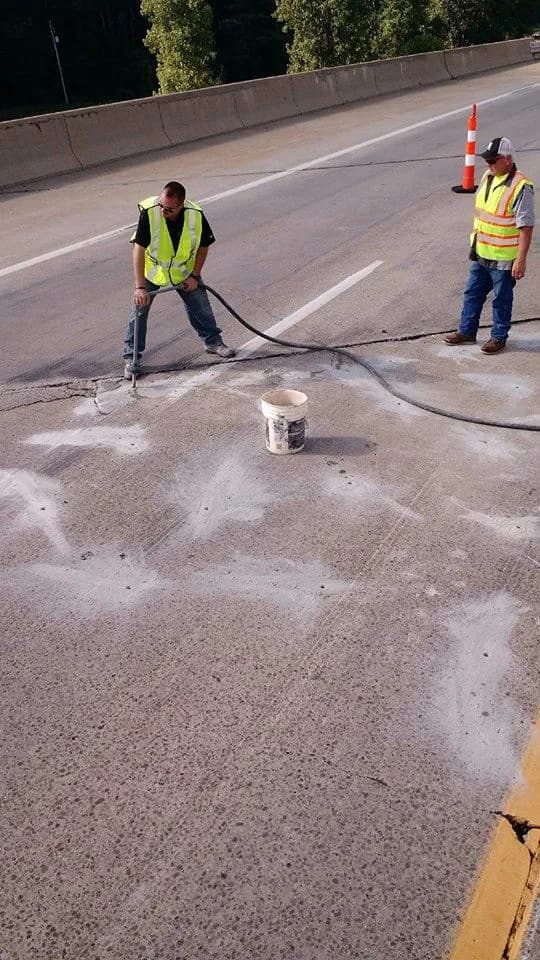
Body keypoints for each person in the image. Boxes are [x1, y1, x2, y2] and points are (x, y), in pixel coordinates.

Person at [123, 181, 235, 378]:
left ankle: (213, 341)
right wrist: (140, 287)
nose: (163, 211)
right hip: (154, 270)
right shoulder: (150, 212)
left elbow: (204, 245)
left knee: (200, 305)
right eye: (161, 205)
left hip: (183, 271)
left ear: (181, 205)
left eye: (168, 209)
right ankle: (131, 357)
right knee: (139, 312)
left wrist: (194, 275)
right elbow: (138, 249)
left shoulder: (195, 215)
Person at [444, 137, 534, 354]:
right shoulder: (488, 176)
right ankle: (467, 332)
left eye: (494, 161)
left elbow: (526, 227)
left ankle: (498, 337)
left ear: (508, 160)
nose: (489, 165)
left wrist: (520, 260)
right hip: (481, 251)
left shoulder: (521, 186)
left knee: (501, 299)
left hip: (504, 257)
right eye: (488, 161)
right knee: (472, 293)